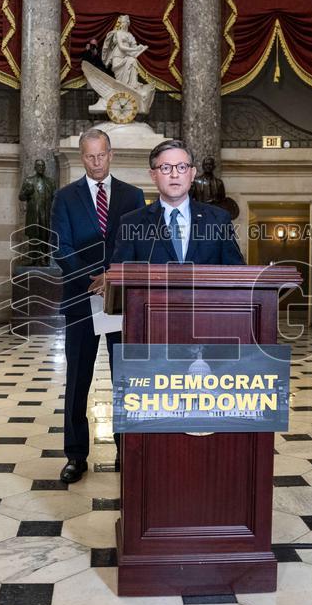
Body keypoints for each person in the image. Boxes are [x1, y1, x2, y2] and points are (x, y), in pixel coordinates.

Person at [50, 128, 145, 483]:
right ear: (81, 157)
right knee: (77, 382)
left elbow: (137, 244)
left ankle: (127, 452)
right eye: (90, 156)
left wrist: (112, 278)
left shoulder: (133, 196)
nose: (96, 162)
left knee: (125, 381)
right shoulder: (64, 197)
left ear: (111, 154)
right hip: (80, 300)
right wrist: (93, 279)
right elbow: (61, 247)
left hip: (121, 302)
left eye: (101, 155)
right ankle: (76, 456)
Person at [112, 139, 245, 266]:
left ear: (192, 173)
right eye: (166, 168)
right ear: (153, 176)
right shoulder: (132, 222)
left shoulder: (218, 219)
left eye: (182, 167)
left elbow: (236, 273)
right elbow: (120, 276)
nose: (174, 174)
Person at [18, 159, 56, 266]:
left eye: (43, 166)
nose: (41, 168)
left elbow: (55, 198)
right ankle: (33, 259)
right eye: (39, 166)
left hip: (46, 213)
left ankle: (44, 258)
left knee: (45, 235)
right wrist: (26, 192)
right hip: (33, 214)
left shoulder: (50, 182)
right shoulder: (29, 181)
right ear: (35, 167)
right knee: (33, 236)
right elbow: (21, 197)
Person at [102, 15, 148, 91]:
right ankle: (122, 90)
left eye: (124, 22)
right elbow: (121, 47)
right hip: (118, 57)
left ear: (128, 23)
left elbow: (134, 47)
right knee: (120, 81)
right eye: (122, 22)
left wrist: (140, 48)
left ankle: (133, 84)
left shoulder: (130, 35)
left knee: (133, 61)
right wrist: (135, 49)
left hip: (127, 56)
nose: (122, 24)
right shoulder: (118, 33)